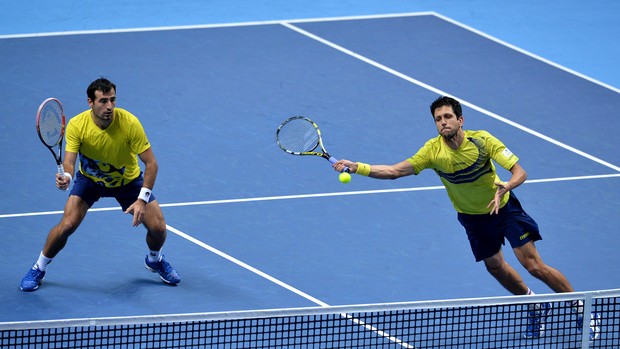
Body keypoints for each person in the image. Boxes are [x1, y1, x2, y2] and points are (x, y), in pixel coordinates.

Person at [333, 96, 599, 340]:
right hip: (473, 218)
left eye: (448, 117)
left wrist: (506, 186)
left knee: (533, 266)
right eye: (438, 119)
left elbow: (520, 172)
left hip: (504, 209)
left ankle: (581, 307)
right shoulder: (432, 152)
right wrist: (357, 167)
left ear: (460, 120)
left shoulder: (483, 141)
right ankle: (535, 304)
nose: (443, 122)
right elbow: (393, 171)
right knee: (495, 267)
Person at [20, 77, 180, 292]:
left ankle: (154, 259)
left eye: (112, 100)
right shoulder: (77, 124)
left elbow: (151, 163)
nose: (109, 106)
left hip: (127, 181)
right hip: (91, 181)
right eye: (103, 101)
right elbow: (69, 162)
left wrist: (142, 199)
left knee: (159, 228)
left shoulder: (129, 123)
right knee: (67, 225)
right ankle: (39, 267)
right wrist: (66, 177)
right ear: (90, 102)